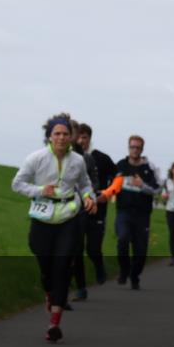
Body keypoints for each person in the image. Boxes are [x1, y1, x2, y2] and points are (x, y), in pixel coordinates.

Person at [11, 114, 96, 343]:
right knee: (47, 268)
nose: (61, 137)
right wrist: (40, 190)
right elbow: (17, 184)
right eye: (57, 133)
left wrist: (89, 197)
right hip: (42, 218)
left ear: (72, 137)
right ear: (49, 136)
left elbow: (85, 184)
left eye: (65, 134)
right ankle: (50, 293)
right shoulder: (36, 158)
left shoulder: (78, 160)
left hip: (69, 218)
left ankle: (54, 323)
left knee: (62, 268)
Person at [100, 135, 161, 290]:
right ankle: (124, 270)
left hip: (142, 214)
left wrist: (142, 185)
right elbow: (112, 184)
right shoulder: (120, 165)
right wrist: (106, 194)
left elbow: (158, 189)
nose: (134, 150)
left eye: (137, 147)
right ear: (128, 148)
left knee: (140, 251)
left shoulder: (150, 168)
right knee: (122, 239)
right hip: (124, 211)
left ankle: (135, 276)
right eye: (132, 147)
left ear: (142, 149)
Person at [76, 123, 116, 285]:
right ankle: (80, 287)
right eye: (78, 137)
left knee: (92, 249)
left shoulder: (102, 158)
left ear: (89, 139)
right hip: (75, 210)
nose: (80, 141)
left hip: (97, 210)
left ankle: (99, 266)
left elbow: (118, 178)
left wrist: (107, 194)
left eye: (84, 137)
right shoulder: (69, 157)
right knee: (75, 250)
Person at [68, 120, 100, 301]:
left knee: (76, 249)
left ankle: (80, 287)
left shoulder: (85, 158)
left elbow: (94, 182)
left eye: (71, 132)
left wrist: (85, 195)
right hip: (56, 208)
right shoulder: (52, 156)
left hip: (78, 210)